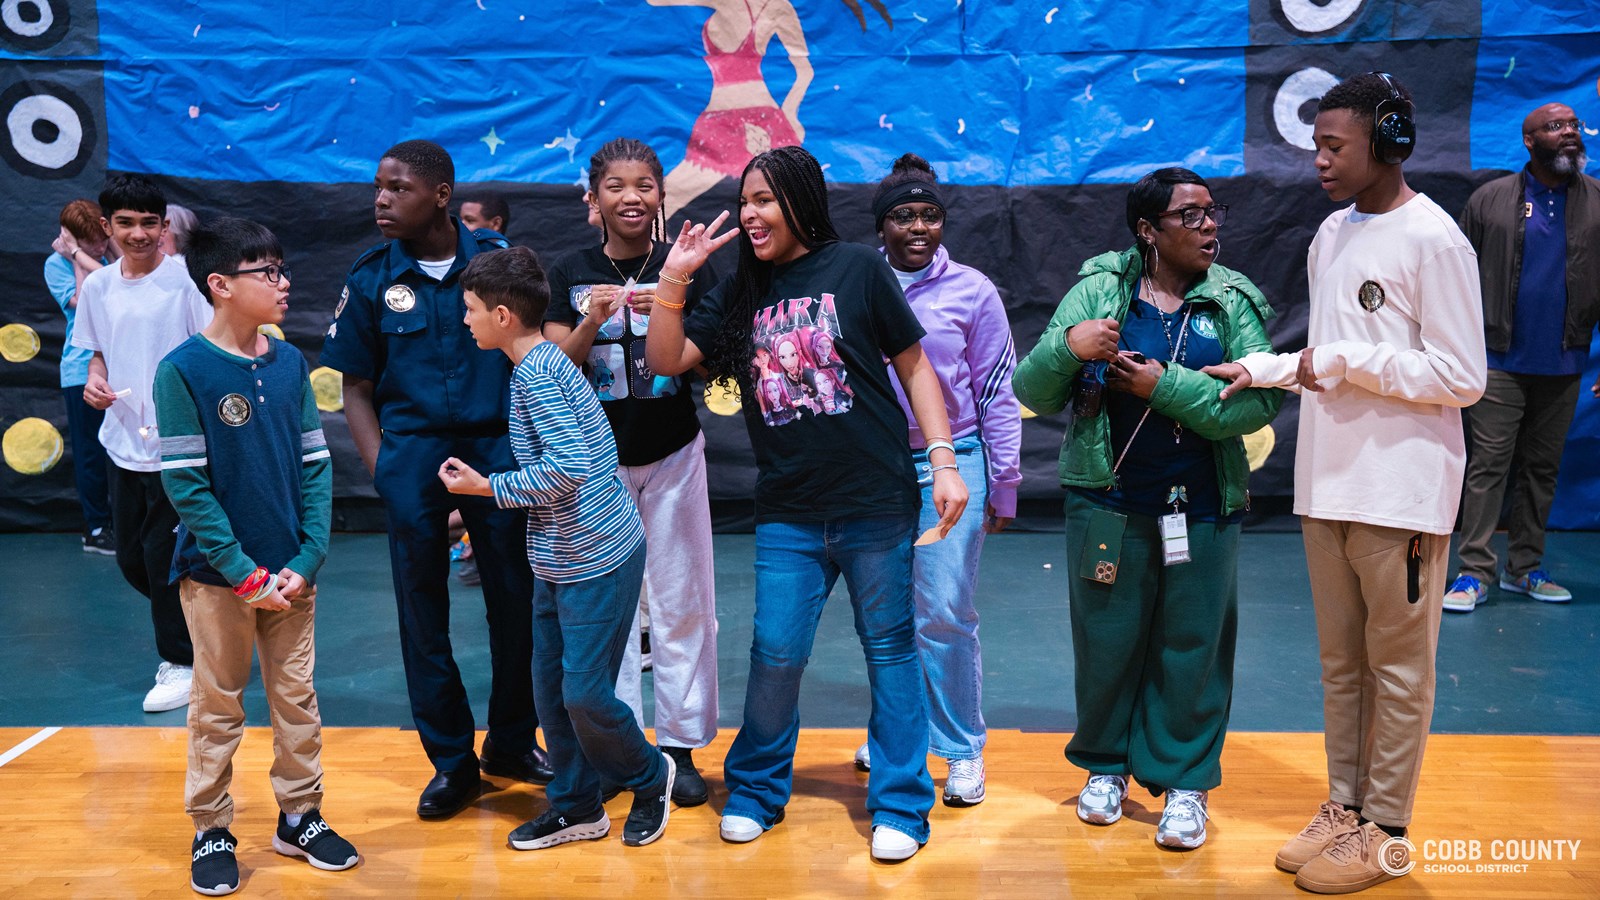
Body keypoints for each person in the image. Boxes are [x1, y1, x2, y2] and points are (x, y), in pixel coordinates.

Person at [645, 145, 968, 862]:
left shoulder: (857, 268)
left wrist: (942, 461)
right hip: (789, 509)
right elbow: (666, 361)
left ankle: (902, 806)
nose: (749, 214)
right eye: (744, 201)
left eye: (763, 199)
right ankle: (757, 791)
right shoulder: (736, 288)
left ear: (799, 200)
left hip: (876, 501)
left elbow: (914, 366)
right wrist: (674, 279)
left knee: (890, 650)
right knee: (776, 652)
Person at [1204, 73, 1485, 893]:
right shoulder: (1329, 234)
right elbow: (1323, 351)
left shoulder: (1436, 241)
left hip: (1401, 492)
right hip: (1328, 485)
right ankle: (1345, 806)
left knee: (1399, 669)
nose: (1319, 160)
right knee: (1341, 664)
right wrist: (1266, 366)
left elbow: (1461, 375)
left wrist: (1345, 363)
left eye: (1334, 146)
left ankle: (1387, 832)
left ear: (1389, 143)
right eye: (1316, 145)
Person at [1012, 167, 1282, 850]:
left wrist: (1167, 387)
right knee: (1106, 643)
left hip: (1204, 508)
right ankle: (1105, 769)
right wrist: (1068, 348)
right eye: (1190, 216)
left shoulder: (1232, 302)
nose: (1210, 225)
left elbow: (1257, 401)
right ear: (1147, 229)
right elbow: (1033, 390)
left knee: (1193, 645)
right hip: (1108, 503)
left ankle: (1185, 782)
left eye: (1212, 212)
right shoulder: (1101, 291)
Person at [319, 140, 550, 820]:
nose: (381, 200)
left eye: (398, 189)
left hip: (498, 449)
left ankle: (511, 741)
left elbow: (532, 359)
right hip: (413, 455)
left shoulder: (499, 265)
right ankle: (452, 762)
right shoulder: (369, 279)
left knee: (516, 602)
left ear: (442, 195)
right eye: (378, 187)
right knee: (423, 613)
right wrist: (383, 470)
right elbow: (355, 387)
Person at [439, 246, 675, 850]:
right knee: (550, 691)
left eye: (469, 310)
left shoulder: (539, 372)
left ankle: (651, 778)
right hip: (559, 555)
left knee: (585, 693)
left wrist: (486, 487)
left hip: (598, 556)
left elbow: (568, 466)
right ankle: (576, 806)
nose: (464, 321)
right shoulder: (535, 364)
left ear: (500, 315)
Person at [156, 217, 359, 895]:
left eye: (282, 267)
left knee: (297, 699)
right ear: (220, 285)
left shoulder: (290, 361)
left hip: (293, 575)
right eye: (265, 272)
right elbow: (186, 486)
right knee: (218, 705)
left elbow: (315, 467)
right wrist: (244, 575)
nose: (283, 282)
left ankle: (299, 816)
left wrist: (309, 556)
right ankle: (211, 826)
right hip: (220, 579)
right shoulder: (182, 371)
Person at [543, 138, 721, 808]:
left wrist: (665, 310)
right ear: (594, 201)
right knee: (607, 612)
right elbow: (555, 369)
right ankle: (620, 751)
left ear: (661, 197)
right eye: (616, 186)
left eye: (645, 184)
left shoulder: (685, 268)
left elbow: (708, 363)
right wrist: (593, 318)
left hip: (674, 453)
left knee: (682, 604)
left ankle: (679, 747)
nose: (632, 197)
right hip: (597, 467)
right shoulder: (570, 270)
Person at [847, 153, 1022, 811]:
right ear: (882, 225)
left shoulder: (973, 291)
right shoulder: (859, 284)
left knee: (944, 611)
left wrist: (1003, 480)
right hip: (873, 470)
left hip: (955, 464)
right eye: (903, 216)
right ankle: (899, 734)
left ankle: (961, 750)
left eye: (929, 214)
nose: (918, 227)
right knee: (884, 615)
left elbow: (998, 389)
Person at [1443, 101, 1599, 612]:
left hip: (1564, 361)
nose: (1569, 133)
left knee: (1542, 469)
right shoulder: (1489, 200)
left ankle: (1524, 568)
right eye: (1555, 127)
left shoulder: (1598, 201)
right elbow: (1456, 281)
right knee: (1488, 464)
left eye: (1574, 125)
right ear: (1529, 141)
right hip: (1497, 360)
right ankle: (1475, 572)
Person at [71, 174, 210, 714]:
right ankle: (207, 627)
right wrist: (95, 378)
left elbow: (211, 349)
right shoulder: (99, 287)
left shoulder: (188, 282)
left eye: (149, 223)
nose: (138, 234)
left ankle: (182, 661)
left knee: (160, 557)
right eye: (125, 223)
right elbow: (98, 351)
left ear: (163, 226)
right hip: (122, 443)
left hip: (179, 448)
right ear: (107, 227)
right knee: (131, 560)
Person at [46, 198, 116, 555]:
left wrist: (100, 248)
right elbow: (83, 299)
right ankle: (95, 528)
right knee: (91, 453)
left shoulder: (105, 258)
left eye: (102, 238)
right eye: (92, 243)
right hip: (80, 371)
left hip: (117, 369)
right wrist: (74, 254)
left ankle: (117, 521)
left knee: (118, 450)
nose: (100, 247)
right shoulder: (56, 264)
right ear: (71, 238)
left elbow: (123, 276)